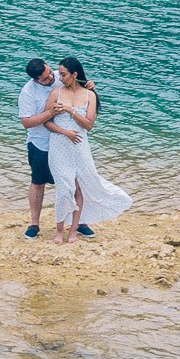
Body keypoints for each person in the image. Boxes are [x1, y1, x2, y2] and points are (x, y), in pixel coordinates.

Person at [42, 56, 132, 243]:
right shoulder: (55, 94)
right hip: (59, 145)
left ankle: (74, 230)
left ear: (75, 75)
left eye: (64, 74)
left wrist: (70, 110)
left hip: (80, 146)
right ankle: (59, 231)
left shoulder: (90, 95)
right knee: (64, 188)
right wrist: (64, 131)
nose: (60, 78)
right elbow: (47, 122)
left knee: (80, 187)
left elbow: (89, 125)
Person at [17, 59, 73, 238]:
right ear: (36, 80)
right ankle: (34, 223)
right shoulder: (28, 92)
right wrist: (50, 113)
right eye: (45, 78)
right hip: (40, 142)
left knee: (71, 181)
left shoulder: (59, 76)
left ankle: (77, 221)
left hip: (64, 139)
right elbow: (26, 122)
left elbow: (79, 88)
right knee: (38, 182)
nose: (51, 77)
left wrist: (90, 85)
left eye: (50, 72)